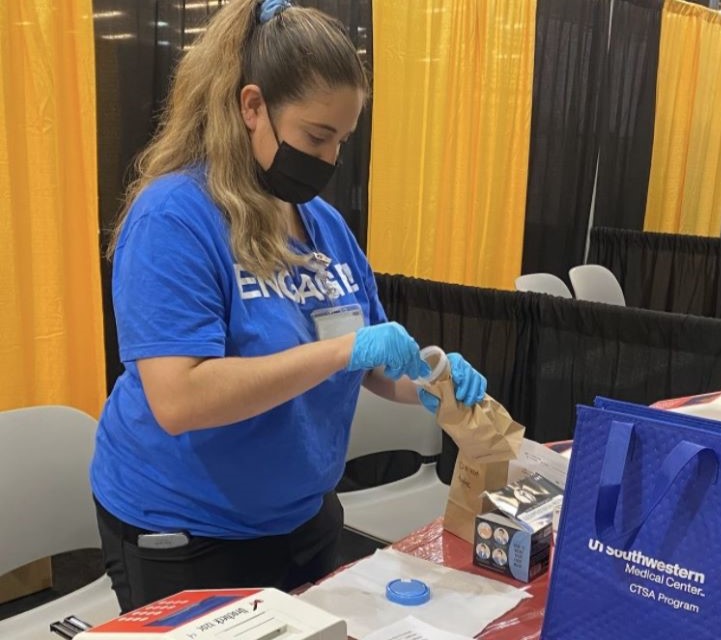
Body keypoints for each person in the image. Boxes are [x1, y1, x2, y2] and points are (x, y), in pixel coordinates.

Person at [90, 0, 488, 614]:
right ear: (253, 107)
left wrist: (429, 379)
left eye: (342, 140)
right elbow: (180, 398)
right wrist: (339, 351)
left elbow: (371, 357)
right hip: (189, 532)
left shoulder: (321, 225)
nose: (330, 159)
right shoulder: (174, 217)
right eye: (316, 136)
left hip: (303, 516)